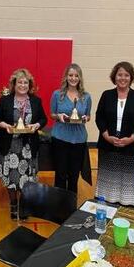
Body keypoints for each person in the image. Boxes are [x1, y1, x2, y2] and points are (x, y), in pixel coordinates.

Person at [0, 68, 47, 220]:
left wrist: (36, 126)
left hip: (29, 147)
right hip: (10, 146)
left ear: (29, 85)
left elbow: (43, 119)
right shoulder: (5, 100)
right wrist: (5, 126)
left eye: (25, 82)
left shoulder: (36, 101)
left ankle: (24, 205)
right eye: (19, 82)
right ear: (14, 84)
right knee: (11, 178)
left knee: (27, 179)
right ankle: (13, 204)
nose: (22, 85)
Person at [95, 61, 134, 207]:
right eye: (120, 74)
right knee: (108, 175)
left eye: (126, 75)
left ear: (131, 78)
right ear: (115, 76)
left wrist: (131, 139)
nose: (123, 78)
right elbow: (99, 117)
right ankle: (106, 205)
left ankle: (127, 204)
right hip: (108, 145)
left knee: (127, 178)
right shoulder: (106, 95)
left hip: (131, 146)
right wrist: (106, 136)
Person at [49, 63, 92, 194]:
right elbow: (52, 114)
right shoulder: (57, 94)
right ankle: (58, 205)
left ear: (80, 78)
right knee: (61, 174)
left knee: (74, 176)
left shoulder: (86, 96)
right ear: (66, 77)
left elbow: (89, 115)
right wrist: (58, 116)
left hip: (79, 139)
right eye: (70, 75)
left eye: (76, 75)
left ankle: (71, 206)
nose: (73, 78)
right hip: (60, 138)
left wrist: (85, 118)